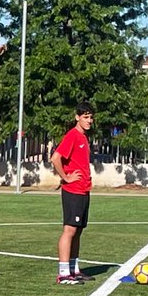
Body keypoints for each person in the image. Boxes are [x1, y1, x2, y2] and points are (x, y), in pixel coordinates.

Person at [52, 102, 95, 285]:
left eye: (91, 117)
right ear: (77, 117)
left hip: (84, 189)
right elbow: (55, 158)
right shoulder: (73, 136)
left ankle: (74, 269)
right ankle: (63, 273)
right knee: (69, 230)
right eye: (85, 117)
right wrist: (66, 177)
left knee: (78, 231)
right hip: (73, 190)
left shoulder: (84, 137)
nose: (89, 120)